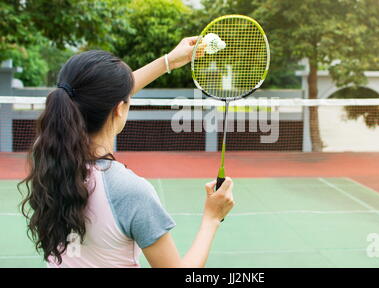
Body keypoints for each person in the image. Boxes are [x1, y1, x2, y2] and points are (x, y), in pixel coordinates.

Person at [19, 37, 235, 268]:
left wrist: (168, 61)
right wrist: (212, 218)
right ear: (119, 109)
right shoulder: (129, 191)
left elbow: (97, 96)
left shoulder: (45, 156)